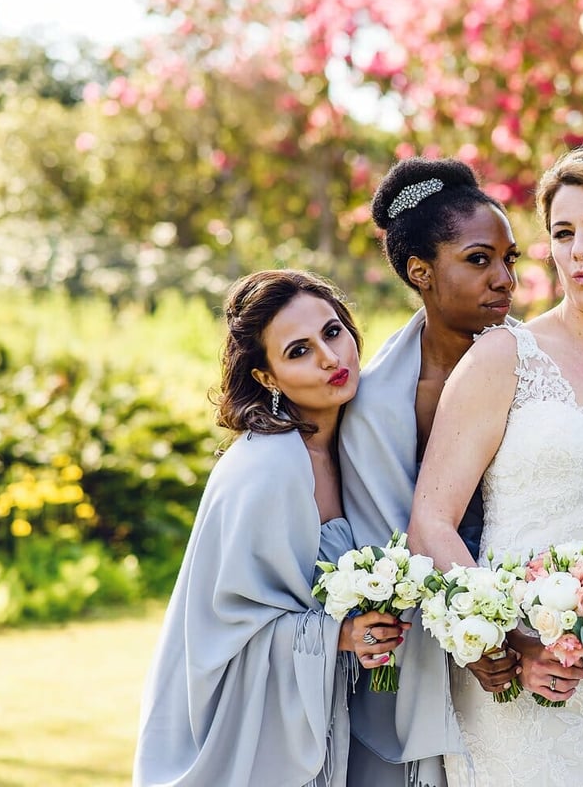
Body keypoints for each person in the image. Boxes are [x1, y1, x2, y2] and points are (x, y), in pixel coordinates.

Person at [407, 146, 583, 786]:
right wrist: (508, 641)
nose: (578, 251)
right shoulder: (504, 357)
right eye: (563, 234)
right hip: (515, 695)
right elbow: (430, 522)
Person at [134, 269, 404, 786]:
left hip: (347, 715)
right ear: (267, 378)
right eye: (298, 351)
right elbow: (225, 633)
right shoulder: (263, 470)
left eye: (332, 331)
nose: (330, 358)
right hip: (263, 742)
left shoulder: (365, 444)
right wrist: (337, 636)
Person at [337, 157, 523, 786]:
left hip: (531, 635)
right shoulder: (368, 404)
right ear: (421, 272)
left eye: (509, 259)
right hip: (411, 660)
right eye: (478, 260)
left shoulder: (539, 373)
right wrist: (468, 636)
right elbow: (381, 545)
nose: (504, 280)